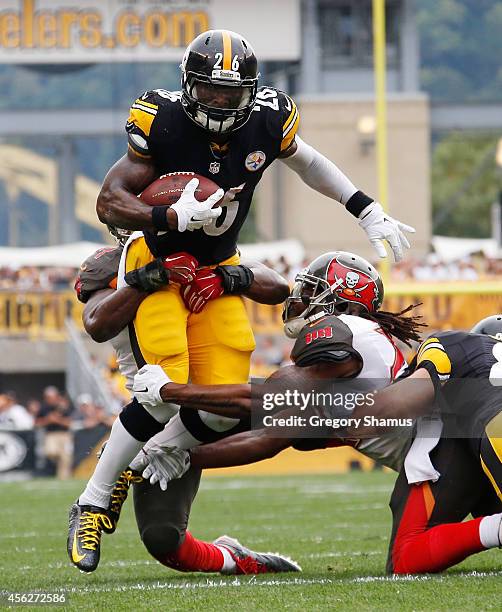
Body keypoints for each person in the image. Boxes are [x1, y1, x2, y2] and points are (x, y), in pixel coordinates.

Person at [71, 27, 414, 569]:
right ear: (189, 86)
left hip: (217, 265)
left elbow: (309, 163)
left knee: (227, 402)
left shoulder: (269, 117)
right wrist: (170, 216)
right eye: (210, 91)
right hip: (159, 266)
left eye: (232, 93)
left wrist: (365, 207)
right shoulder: (160, 118)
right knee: (162, 385)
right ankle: (92, 501)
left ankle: (160, 449)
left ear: (251, 91)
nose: (221, 102)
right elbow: (109, 201)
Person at [145, 312, 502, 574]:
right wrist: (190, 458)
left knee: (409, 557)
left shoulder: (372, 339)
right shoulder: (354, 368)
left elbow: (273, 404)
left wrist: (171, 390)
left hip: (455, 440)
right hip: (453, 448)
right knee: (409, 558)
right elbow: (271, 437)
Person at [69, 242, 297, 574]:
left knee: (284, 400)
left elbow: (275, 285)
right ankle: (233, 558)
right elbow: (96, 322)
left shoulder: (200, 250)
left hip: (207, 406)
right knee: (163, 539)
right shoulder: (117, 263)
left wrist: (227, 276)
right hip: (153, 415)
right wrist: (148, 278)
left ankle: (136, 461)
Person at [36, 387, 73, 480]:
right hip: (51, 434)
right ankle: (56, 466)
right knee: (51, 452)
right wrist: (48, 420)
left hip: (64, 434)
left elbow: (69, 423)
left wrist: (57, 420)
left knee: (66, 458)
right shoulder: (43, 407)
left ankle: (64, 478)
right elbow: (37, 422)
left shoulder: (64, 406)